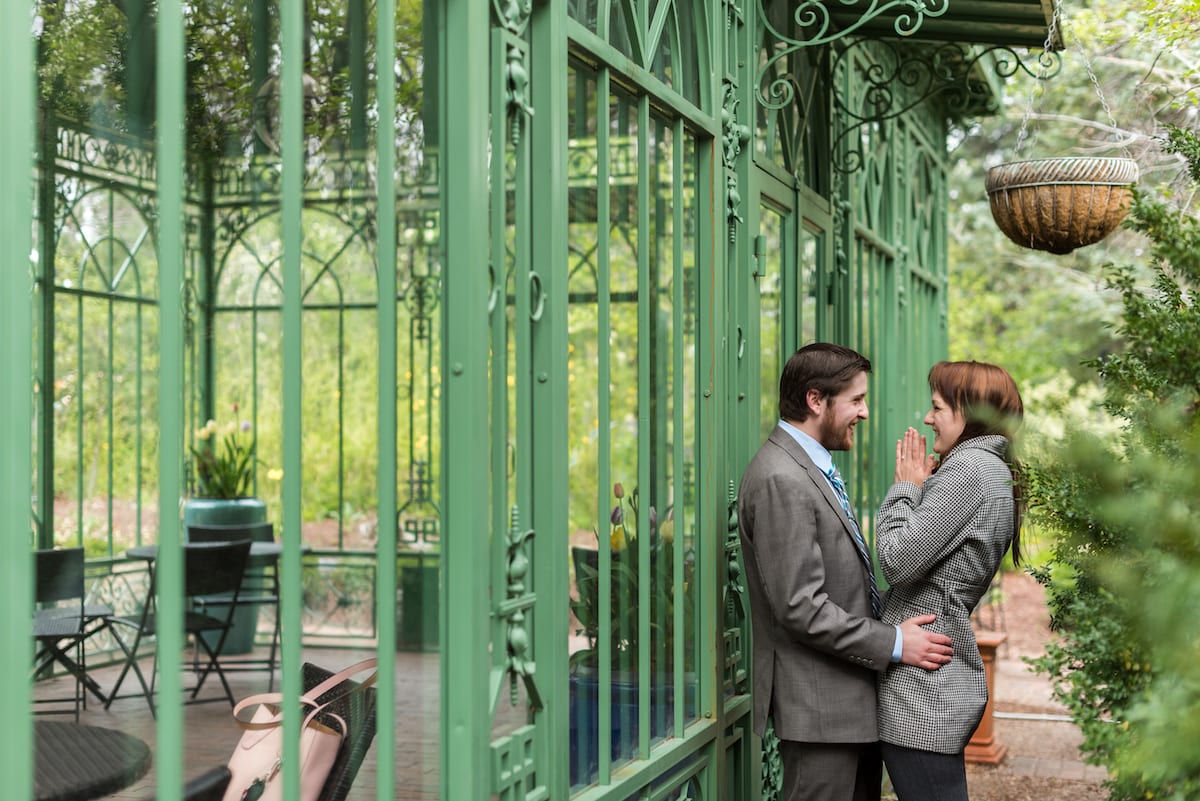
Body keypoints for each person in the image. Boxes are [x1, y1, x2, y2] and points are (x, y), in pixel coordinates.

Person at [739, 343, 955, 801]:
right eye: (856, 400)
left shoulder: (807, 467)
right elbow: (802, 608)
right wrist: (895, 643)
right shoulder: (782, 477)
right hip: (820, 715)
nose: (865, 411)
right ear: (816, 400)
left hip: (843, 710)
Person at [875, 360, 1026, 801]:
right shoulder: (991, 469)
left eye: (937, 407)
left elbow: (897, 561)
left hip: (922, 688)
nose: (927, 417)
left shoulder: (969, 472)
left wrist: (905, 487)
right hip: (935, 679)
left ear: (969, 411)